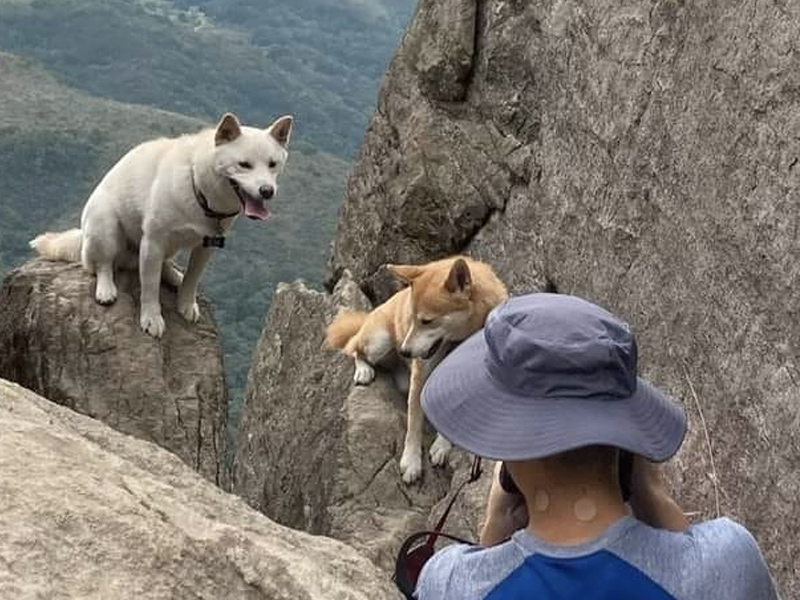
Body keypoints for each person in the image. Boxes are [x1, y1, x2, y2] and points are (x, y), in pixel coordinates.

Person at [415, 293, 780, 600]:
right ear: (628, 448)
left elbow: (486, 578)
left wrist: (495, 527)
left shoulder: (448, 583)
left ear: (507, 452)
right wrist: (654, 498)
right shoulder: (729, 560)